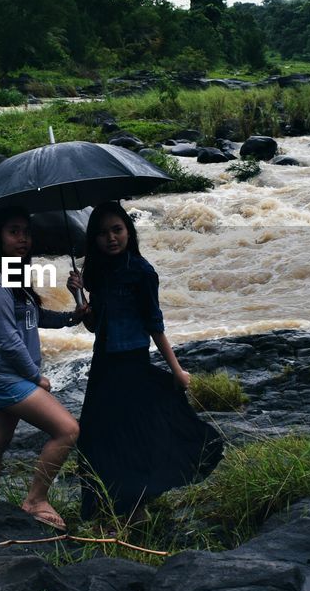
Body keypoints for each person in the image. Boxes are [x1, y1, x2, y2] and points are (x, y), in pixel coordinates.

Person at [75, 201, 223, 520]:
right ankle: (113, 508)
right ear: (93, 239)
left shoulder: (142, 272)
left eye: (117, 230)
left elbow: (154, 324)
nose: (111, 238)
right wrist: (79, 298)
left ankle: (134, 508)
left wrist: (177, 369)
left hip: (133, 364)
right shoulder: (95, 272)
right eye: (102, 233)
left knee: (133, 438)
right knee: (95, 436)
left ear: (129, 231)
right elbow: (93, 324)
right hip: (103, 365)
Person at [0, 206, 88, 531]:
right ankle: (35, 501)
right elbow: (9, 341)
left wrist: (72, 315)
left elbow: (33, 317)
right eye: (13, 231)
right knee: (67, 430)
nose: (22, 239)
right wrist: (35, 377)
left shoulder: (14, 274)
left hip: (0, 372)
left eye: (26, 231)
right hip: (5, 375)